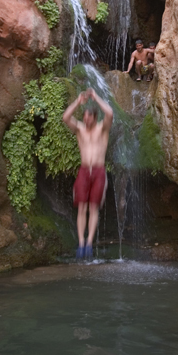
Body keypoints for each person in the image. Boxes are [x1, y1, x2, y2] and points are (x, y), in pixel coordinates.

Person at [62, 88, 113, 260]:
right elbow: (65, 118)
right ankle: (81, 243)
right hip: (84, 171)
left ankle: (90, 243)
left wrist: (95, 96)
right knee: (82, 207)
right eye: (84, 116)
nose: (85, 119)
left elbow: (110, 113)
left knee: (93, 207)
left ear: (94, 117)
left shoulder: (102, 129)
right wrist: (78, 101)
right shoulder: (79, 129)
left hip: (98, 171)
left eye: (89, 117)